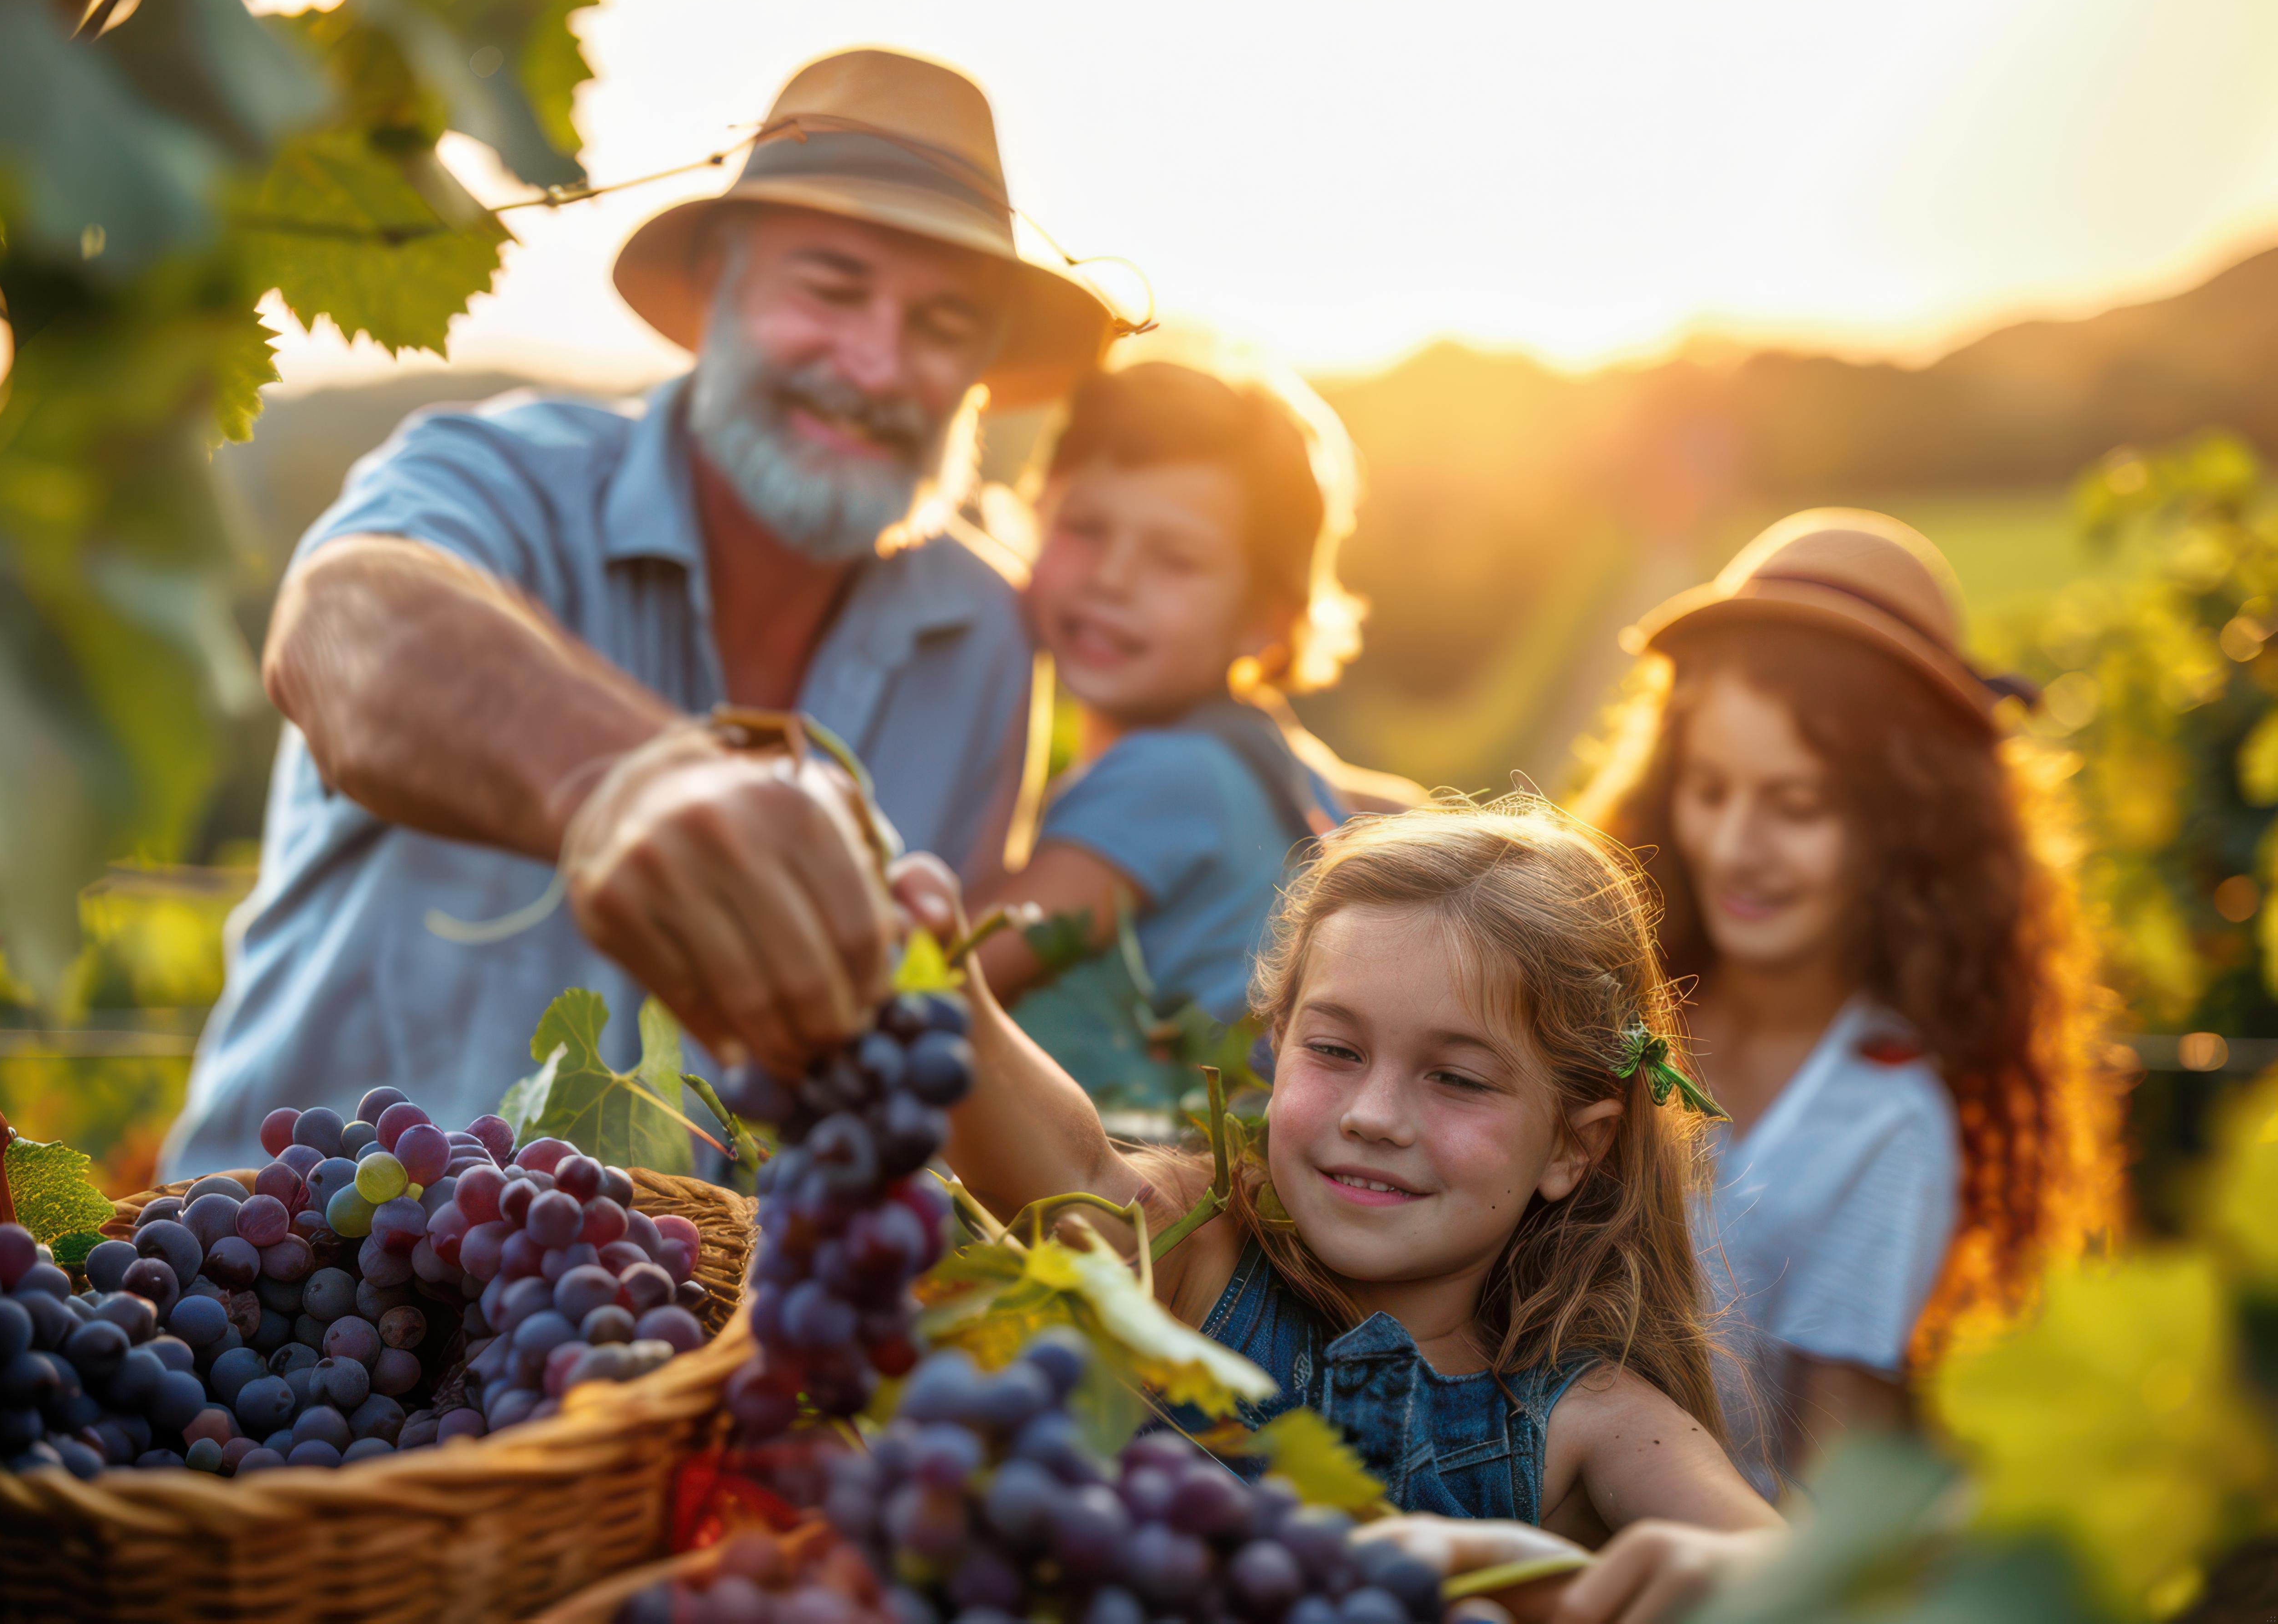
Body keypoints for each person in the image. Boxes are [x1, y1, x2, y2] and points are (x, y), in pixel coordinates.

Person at [161, 48, 1120, 1177]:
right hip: (293, 1287)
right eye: (833, 288)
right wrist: (625, 778)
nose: (874, 364)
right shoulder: (494, 478)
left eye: (944, 323)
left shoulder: (986, 637)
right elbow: (341, 627)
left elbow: (909, 1023)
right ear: (716, 284)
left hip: (674, 1327)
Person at [897, 797, 1785, 1616]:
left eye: (1456, 1078)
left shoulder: (1596, 1422)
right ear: (1278, 1044)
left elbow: (1800, 1580)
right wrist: (946, 983)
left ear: (1571, 1146)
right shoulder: (1192, 1249)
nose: (1372, 1116)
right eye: (1335, 1049)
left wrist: (1732, 1572)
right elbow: (1071, 1166)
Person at [1572, 509, 2122, 1490]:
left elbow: (1832, 1480)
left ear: (1905, 823)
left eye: (1798, 806)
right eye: (1710, 788)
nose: (1737, 845)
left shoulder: (1882, 1120)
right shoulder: (1597, 1004)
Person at [961, 361, 1390, 1090]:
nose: (1113, 578)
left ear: (1266, 621)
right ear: (1033, 518)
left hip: (1135, 1183)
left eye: (1176, 560)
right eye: (1086, 528)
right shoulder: (1266, 760)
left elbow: (944, 971)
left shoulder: (1169, 777)